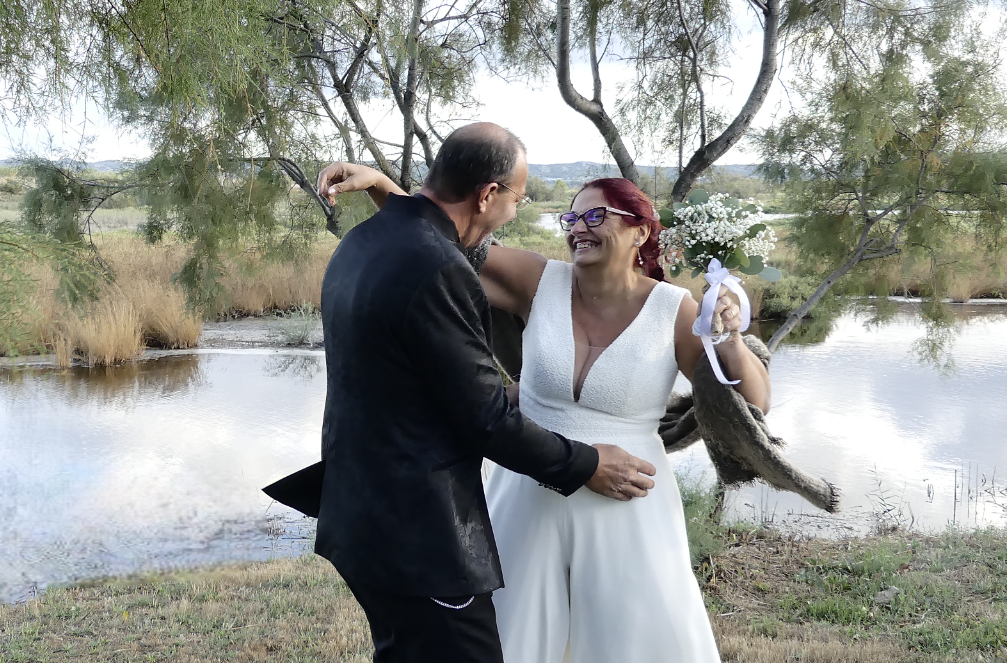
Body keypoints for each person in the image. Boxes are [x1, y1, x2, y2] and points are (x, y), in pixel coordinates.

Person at [324, 168, 771, 662]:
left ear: (641, 231)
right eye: (571, 218)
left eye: (596, 216)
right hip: (527, 491)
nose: (578, 228)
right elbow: (440, 239)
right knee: (510, 635)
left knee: (631, 639)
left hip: (627, 498)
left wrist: (729, 337)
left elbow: (753, 404)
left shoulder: (676, 310)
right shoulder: (539, 281)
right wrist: (384, 188)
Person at [313, 123, 657, 663]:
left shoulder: (363, 242)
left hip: (358, 514)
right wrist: (589, 464)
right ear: (487, 194)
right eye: (518, 199)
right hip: (419, 534)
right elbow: (487, 422)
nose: (514, 212)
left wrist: (383, 185)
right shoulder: (439, 269)